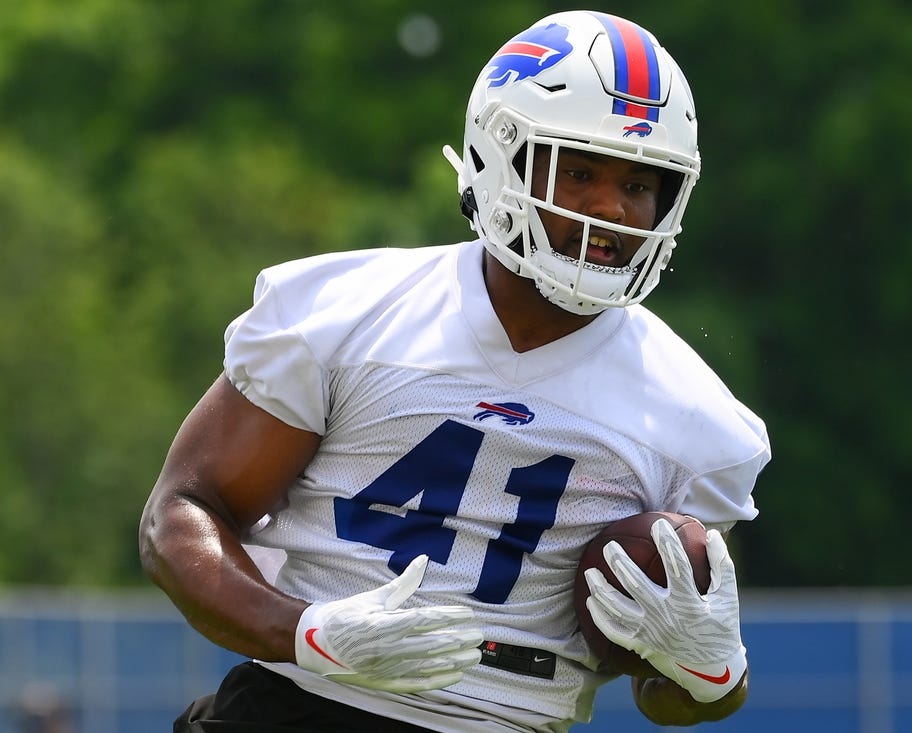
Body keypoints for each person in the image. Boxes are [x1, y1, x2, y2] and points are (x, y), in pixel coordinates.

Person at [139, 9, 770, 732]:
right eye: (582, 170)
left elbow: (673, 691)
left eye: (638, 185)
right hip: (301, 706)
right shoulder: (347, 314)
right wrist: (303, 632)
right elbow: (181, 511)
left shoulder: (696, 418)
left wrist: (714, 670)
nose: (610, 209)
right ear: (500, 158)